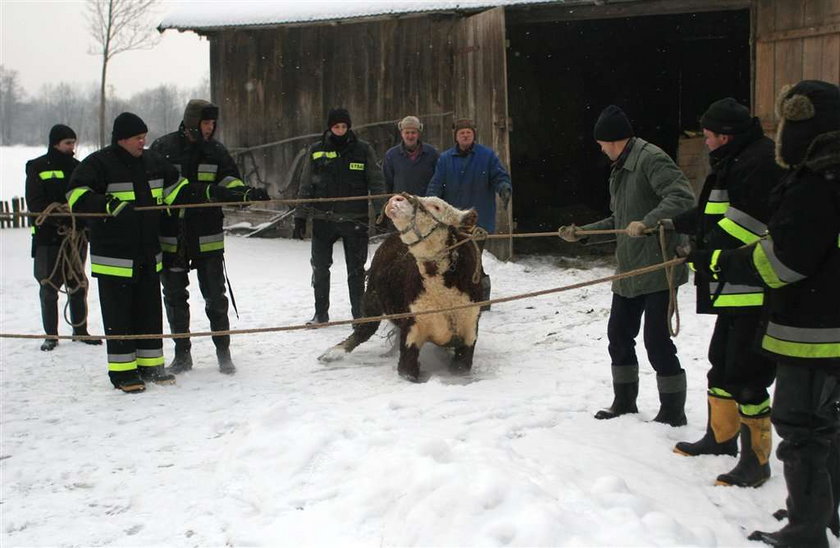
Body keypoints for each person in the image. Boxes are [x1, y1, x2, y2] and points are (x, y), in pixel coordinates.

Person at [686, 80, 840, 548]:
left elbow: (783, 260)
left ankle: (806, 529)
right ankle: (818, 513)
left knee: (804, 429)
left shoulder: (814, 186)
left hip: (810, 328)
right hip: (825, 321)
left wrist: (720, 261)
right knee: (826, 426)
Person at [66, 112, 253, 393]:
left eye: (144, 137)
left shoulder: (153, 162)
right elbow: (76, 196)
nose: (143, 142)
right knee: (120, 319)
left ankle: (152, 367)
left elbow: (181, 191)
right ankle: (123, 374)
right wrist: (108, 205)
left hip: (148, 254)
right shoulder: (98, 164)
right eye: (138, 138)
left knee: (149, 313)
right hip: (115, 259)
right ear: (122, 139)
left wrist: (219, 194)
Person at [667, 98, 784, 488]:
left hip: (755, 285)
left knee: (748, 374)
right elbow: (715, 212)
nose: (705, 143)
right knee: (721, 361)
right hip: (733, 287)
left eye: (708, 136)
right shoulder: (735, 158)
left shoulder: (759, 162)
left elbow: (748, 225)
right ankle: (721, 439)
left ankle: (757, 461)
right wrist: (675, 224)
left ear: (725, 135)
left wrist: (704, 253)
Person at [559, 105, 695, 426]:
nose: (600, 148)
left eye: (601, 142)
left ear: (613, 139)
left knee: (657, 341)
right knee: (618, 335)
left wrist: (647, 222)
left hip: (658, 268)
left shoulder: (651, 159)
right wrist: (583, 234)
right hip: (630, 270)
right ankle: (624, 402)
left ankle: (673, 411)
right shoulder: (620, 169)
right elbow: (618, 221)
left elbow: (683, 198)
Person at [150, 99, 270, 375]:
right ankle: (182, 354)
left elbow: (229, 180)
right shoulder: (163, 149)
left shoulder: (216, 151)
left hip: (207, 234)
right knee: (175, 296)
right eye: (206, 123)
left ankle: (223, 352)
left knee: (216, 297)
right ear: (192, 122)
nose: (210, 128)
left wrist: (244, 192)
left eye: (213, 123)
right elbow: (159, 188)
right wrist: (207, 193)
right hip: (172, 235)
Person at [293, 108, 386, 324]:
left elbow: (376, 181)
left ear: (349, 127)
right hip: (323, 219)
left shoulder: (363, 150)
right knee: (320, 267)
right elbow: (306, 185)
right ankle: (321, 313)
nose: (341, 131)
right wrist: (300, 216)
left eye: (344, 127)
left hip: (356, 218)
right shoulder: (316, 150)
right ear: (330, 127)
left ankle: (359, 313)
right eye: (336, 127)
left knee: (356, 269)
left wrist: (382, 211)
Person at [25, 124, 101, 351]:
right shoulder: (37, 167)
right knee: (48, 286)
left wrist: (79, 223)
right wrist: (63, 219)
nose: (72, 147)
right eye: (68, 143)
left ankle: (80, 330)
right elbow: (36, 204)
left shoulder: (79, 168)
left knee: (77, 283)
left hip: (75, 237)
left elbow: (84, 199)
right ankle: (51, 335)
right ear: (56, 143)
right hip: (48, 238)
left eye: (73, 143)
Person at [426, 118, 512, 306]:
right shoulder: (446, 159)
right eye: (461, 133)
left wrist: (504, 187)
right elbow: (436, 183)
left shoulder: (486, 156)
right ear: (456, 137)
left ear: (473, 135)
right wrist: (431, 202)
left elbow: (499, 175)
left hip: (479, 218)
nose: (465, 135)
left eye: (469, 132)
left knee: (473, 258)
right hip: (453, 220)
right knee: (455, 259)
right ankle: (462, 296)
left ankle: (480, 295)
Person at [382, 115, 439, 196]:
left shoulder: (431, 153)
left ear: (418, 134)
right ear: (401, 134)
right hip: (401, 204)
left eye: (413, 132)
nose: (410, 136)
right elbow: (386, 183)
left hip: (424, 204)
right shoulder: (391, 155)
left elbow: (438, 181)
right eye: (407, 132)